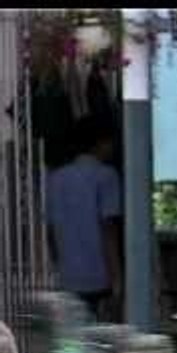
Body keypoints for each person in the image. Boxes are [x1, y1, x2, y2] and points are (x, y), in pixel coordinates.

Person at [45, 115, 123, 321]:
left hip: (67, 275)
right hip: (98, 275)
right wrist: (117, 279)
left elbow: (51, 230)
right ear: (100, 143)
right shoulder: (106, 175)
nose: (113, 147)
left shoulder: (55, 178)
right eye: (110, 141)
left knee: (73, 338)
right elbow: (108, 229)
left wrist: (57, 265)